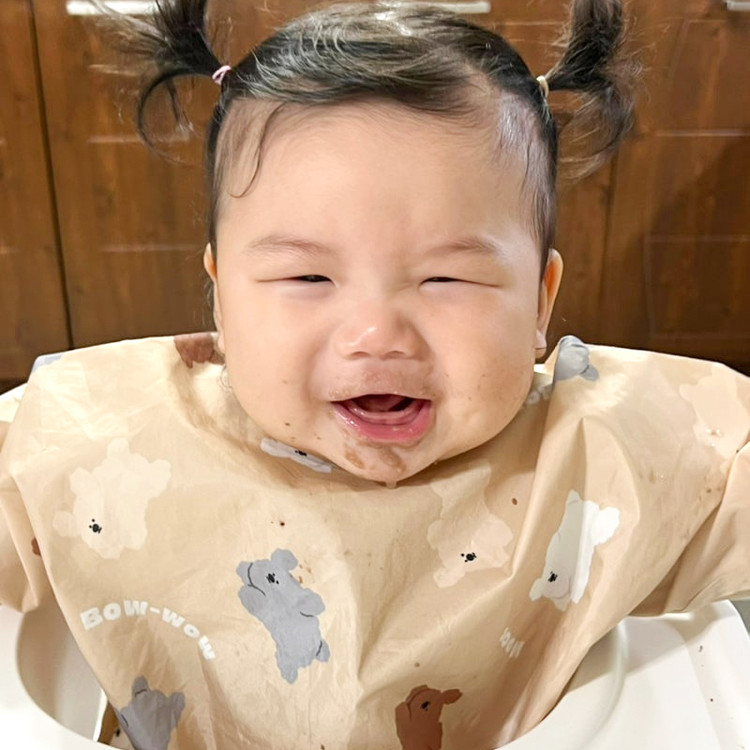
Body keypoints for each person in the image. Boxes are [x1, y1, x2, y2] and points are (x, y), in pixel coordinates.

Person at [0, 0, 748, 748]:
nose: (375, 335)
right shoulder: (110, 435)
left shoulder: (600, 451)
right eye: (308, 278)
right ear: (220, 295)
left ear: (540, 302)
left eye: (447, 279)